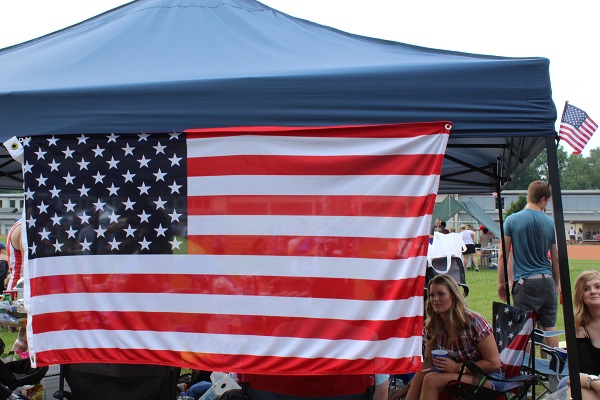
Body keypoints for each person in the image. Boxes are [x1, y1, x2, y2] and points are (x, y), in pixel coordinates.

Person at [404, 275, 503, 400]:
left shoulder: (473, 322)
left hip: (487, 379)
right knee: (421, 376)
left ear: (453, 296)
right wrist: (406, 388)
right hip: (453, 375)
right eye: (432, 295)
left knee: (431, 379)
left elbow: (494, 363)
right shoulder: (433, 325)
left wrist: (458, 368)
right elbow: (428, 362)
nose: (435, 299)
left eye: (441, 294)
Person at [497, 180, 560, 348]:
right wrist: (557, 284)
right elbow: (555, 257)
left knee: (525, 328)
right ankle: (553, 369)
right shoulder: (550, 223)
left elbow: (504, 253)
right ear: (543, 199)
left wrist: (501, 282)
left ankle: (525, 370)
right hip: (547, 280)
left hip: (525, 282)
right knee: (549, 327)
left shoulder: (512, 220)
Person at [544, 270, 600, 400]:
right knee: (567, 385)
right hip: (592, 384)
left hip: (590, 383)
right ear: (581, 295)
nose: (593, 291)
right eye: (586, 289)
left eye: (598, 286)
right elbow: (582, 371)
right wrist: (594, 383)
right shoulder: (579, 327)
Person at [6, 219, 27, 352]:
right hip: (21, 287)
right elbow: (27, 261)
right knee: (27, 336)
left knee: (24, 337)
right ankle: (17, 367)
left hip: (17, 285)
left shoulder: (19, 225)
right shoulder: (25, 227)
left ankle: (14, 366)